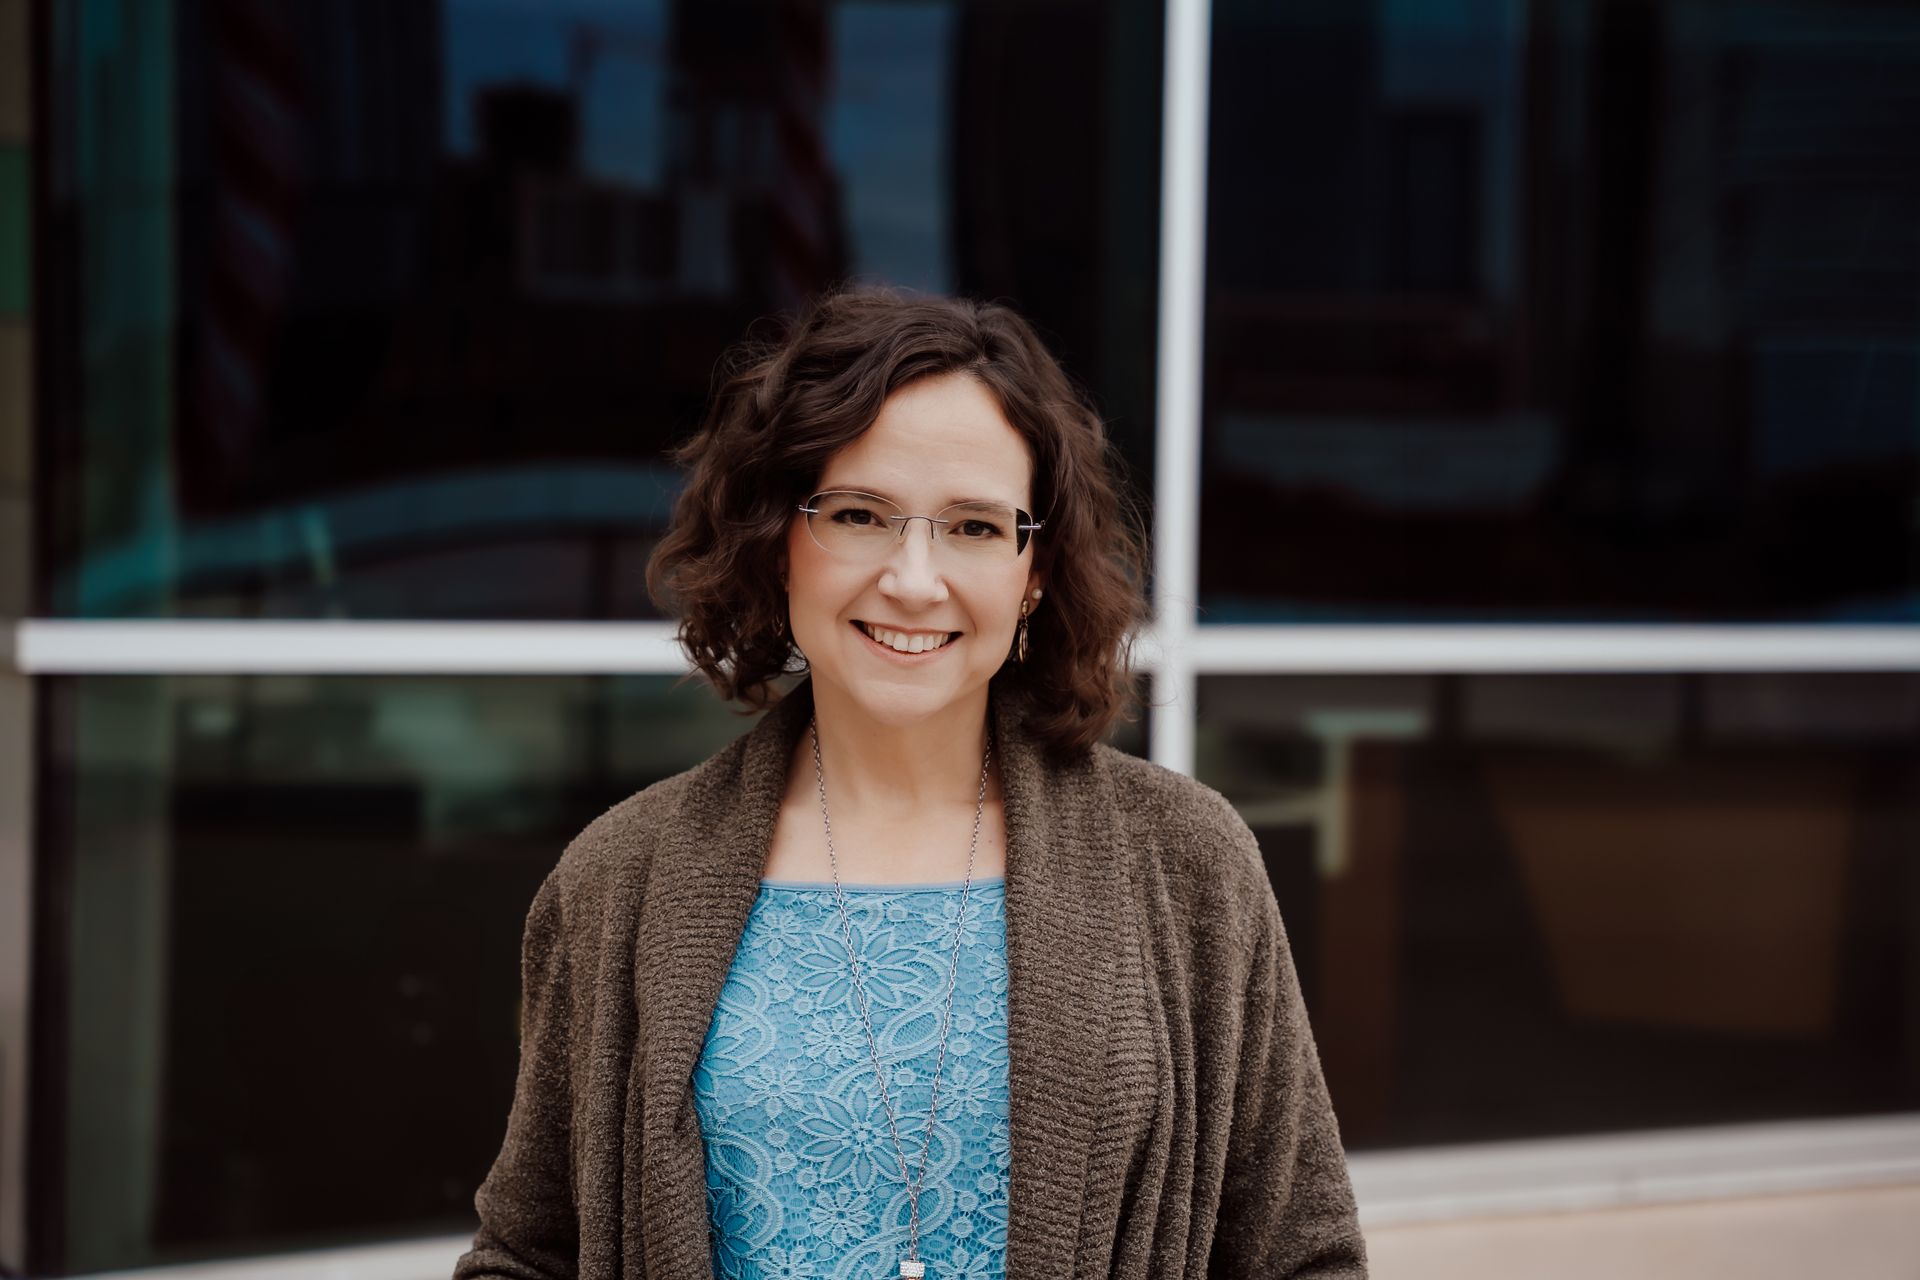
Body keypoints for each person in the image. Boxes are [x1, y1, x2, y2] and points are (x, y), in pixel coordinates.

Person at [454, 290, 1367, 1280]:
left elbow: (1300, 1254)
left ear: (1036, 570)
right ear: (778, 536)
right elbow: (527, 1252)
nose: (915, 579)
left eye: (974, 527)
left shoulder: (1189, 862)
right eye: (859, 514)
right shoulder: (619, 878)